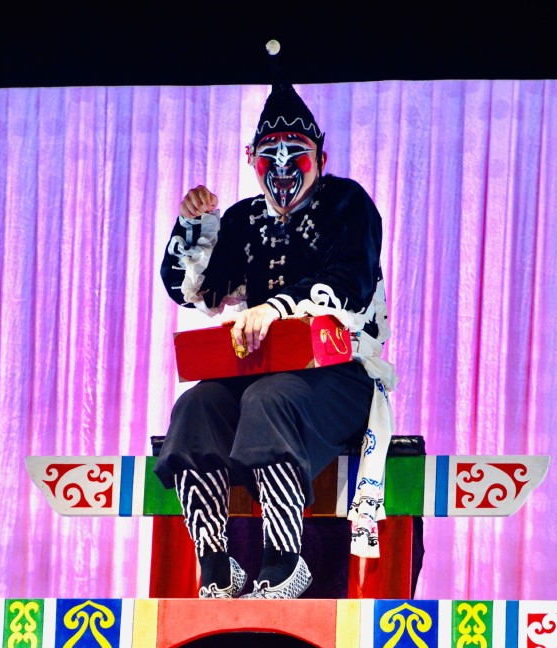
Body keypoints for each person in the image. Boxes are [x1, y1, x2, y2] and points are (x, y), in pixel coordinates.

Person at [155, 55, 397, 599]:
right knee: (195, 408)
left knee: (271, 399)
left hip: (340, 375)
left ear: (321, 158)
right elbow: (196, 292)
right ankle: (217, 568)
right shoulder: (243, 219)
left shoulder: (348, 204)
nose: (283, 166)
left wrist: (277, 309)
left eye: (296, 152)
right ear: (251, 159)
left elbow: (350, 283)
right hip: (261, 373)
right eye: (270, 154)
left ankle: (285, 563)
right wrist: (194, 226)